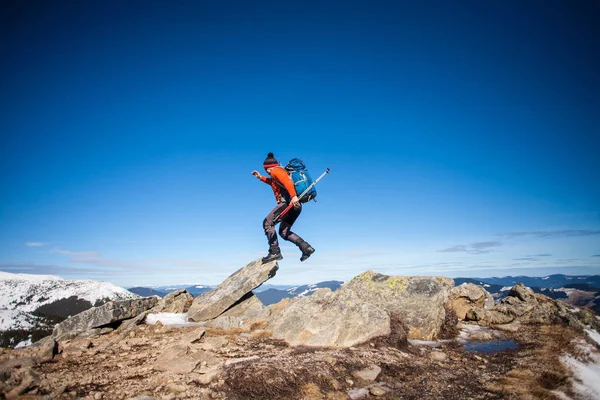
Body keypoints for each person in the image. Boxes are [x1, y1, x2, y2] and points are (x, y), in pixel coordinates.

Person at [252, 152, 315, 263]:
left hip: (288, 203)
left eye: (266, 169)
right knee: (284, 232)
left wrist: (293, 196)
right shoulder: (279, 173)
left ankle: (274, 252)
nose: (266, 172)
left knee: (267, 223)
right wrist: (260, 177)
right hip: (296, 206)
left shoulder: (277, 171)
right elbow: (272, 182)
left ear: (268, 167)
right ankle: (306, 248)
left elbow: (287, 182)